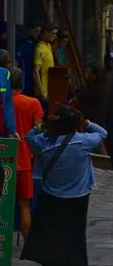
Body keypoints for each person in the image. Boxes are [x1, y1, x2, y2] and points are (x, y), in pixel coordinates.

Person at [22, 104, 107, 266]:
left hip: (51, 197)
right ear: (76, 124)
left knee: (52, 236)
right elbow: (103, 133)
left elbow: (29, 136)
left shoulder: (44, 143)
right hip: (78, 198)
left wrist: (43, 125)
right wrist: (86, 123)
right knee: (76, 236)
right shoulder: (84, 142)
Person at [11, 68, 43, 240]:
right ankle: (28, 244)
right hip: (25, 161)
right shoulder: (33, 103)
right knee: (25, 205)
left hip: (4, 159)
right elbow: (39, 132)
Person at [34, 25, 57, 111]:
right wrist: (41, 92)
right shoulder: (40, 49)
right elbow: (36, 72)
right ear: (46, 33)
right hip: (42, 92)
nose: (54, 36)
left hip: (50, 89)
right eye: (53, 33)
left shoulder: (48, 46)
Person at [16, 23, 40, 95]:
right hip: (25, 80)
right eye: (36, 31)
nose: (38, 33)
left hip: (36, 80)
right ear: (30, 30)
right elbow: (16, 63)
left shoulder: (38, 44)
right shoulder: (21, 45)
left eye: (39, 31)